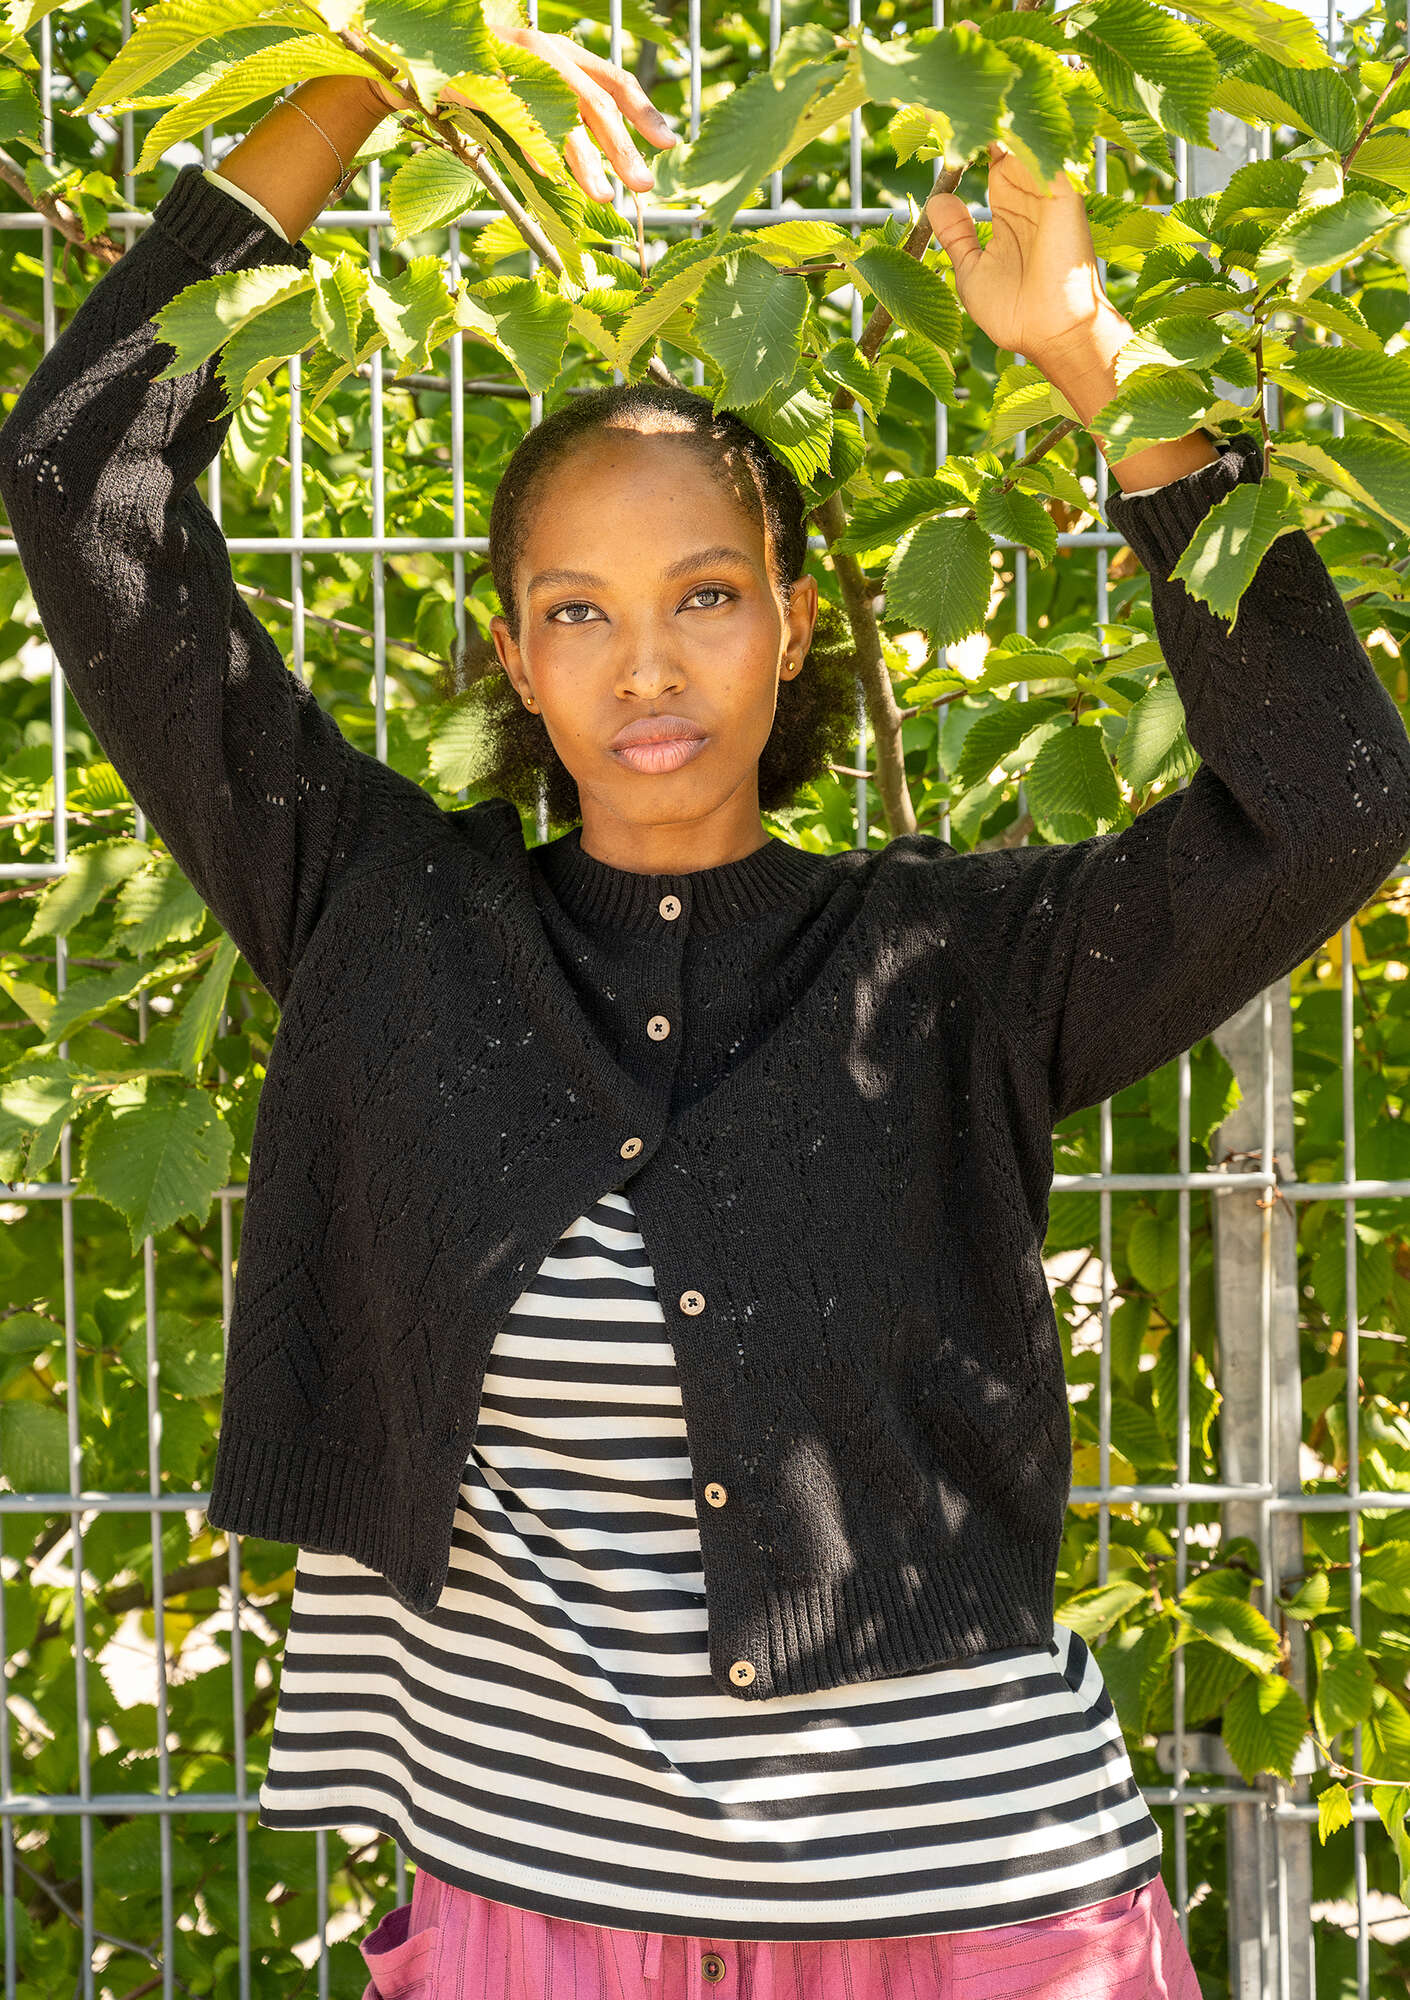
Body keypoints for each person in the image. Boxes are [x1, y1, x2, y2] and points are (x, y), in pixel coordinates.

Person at [2, 29, 1406, 2000]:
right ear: (514, 653)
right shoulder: (384, 920)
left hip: (973, 1912)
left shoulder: (951, 968)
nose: (645, 666)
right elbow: (85, 475)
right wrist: (374, 71)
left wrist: (1097, 358)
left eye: (706, 596)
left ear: (795, 619)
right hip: (536, 1909)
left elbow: (1332, 797)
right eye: (577, 610)